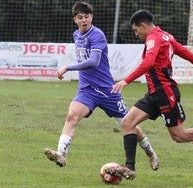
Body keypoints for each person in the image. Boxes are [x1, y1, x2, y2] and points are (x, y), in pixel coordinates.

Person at [105, 9, 193, 180]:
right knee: (128, 122)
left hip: (165, 94)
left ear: (143, 26)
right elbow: (189, 55)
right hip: (153, 94)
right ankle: (129, 168)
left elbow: (149, 61)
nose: (136, 34)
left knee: (179, 136)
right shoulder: (166, 36)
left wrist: (126, 81)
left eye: (136, 30)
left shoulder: (154, 38)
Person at [44, 2, 159, 171]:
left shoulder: (97, 35)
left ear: (92, 17)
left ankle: (150, 152)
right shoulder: (76, 35)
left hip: (107, 91)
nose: (84, 20)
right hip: (87, 90)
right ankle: (61, 153)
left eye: (87, 16)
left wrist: (68, 67)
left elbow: (94, 61)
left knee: (129, 124)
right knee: (72, 116)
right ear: (75, 19)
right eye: (80, 17)